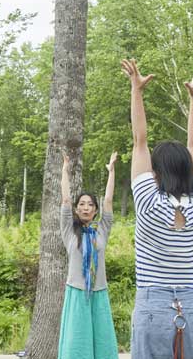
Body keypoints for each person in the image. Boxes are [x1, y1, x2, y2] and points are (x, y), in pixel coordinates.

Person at [121, 59, 193, 359]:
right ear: (188, 171)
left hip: (153, 307)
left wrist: (136, 91)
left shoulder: (148, 203)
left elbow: (139, 141)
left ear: (156, 173)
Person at [58, 151, 119, 359]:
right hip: (77, 293)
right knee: (77, 345)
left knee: (102, 344)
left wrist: (111, 172)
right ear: (76, 210)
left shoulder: (101, 231)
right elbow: (66, 199)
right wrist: (65, 170)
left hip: (99, 293)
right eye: (82, 204)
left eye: (90, 204)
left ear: (95, 211)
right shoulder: (69, 232)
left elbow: (108, 201)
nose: (86, 208)